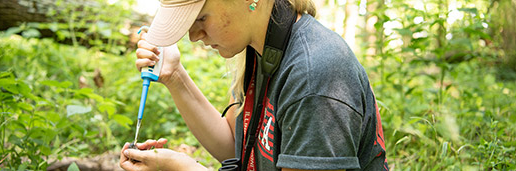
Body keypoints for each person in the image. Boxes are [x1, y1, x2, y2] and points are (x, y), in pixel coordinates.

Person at [119, 0, 388, 169]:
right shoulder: (262, 49)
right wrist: (174, 75)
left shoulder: (314, 74)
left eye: (201, 18)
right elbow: (236, 146)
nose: (193, 36)